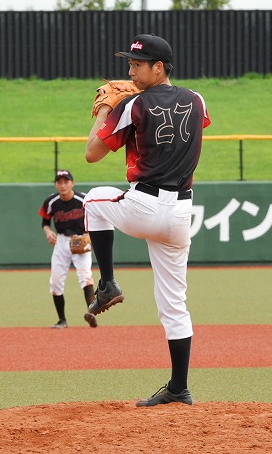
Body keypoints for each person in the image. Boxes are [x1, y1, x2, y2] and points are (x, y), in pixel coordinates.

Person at [83, 33, 211, 406]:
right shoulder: (197, 99)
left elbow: (92, 154)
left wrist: (106, 109)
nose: (130, 71)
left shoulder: (133, 104)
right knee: (174, 304)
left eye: (137, 64)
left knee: (93, 199)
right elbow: (190, 127)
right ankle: (179, 388)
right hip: (181, 214)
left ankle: (107, 283)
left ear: (159, 67)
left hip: (145, 205)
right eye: (130, 63)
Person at [38, 169, 98, 329]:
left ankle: (92, 313)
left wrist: (90, 236)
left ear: (72, 183)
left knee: (86, 277)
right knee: (55, 282)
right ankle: (62, 320)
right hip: (62, 241)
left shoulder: (83, 199)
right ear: (55, 184)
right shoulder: (51, 202)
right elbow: (45, 222)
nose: (63, 185)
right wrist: (48, 232)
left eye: (66, 181)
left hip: (81, 239)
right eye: (59, 182)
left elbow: (96, 218)